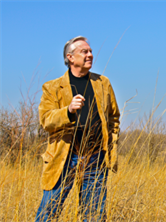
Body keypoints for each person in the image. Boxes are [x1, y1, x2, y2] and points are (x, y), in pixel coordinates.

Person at [36, 36, 120, 221]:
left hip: (96, 158)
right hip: (64, 159)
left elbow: (114, 117)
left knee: (94, 216)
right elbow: (45, 120)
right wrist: (68, 111)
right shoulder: (52, 88)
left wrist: (110, 144)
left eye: (90, 51)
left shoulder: (103, 83)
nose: (90, 54)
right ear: (70, 57)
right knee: (48, 213)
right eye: (84, 51)